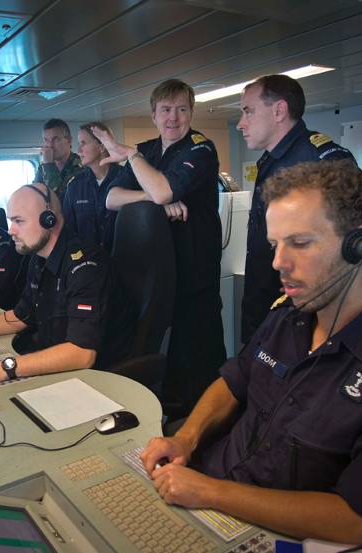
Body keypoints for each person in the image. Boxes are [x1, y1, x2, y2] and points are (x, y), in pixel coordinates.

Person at [140, 160, 362, 545]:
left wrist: (208, 492)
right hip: (203, 496)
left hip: (270, 534)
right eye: (276, 245)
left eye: (300, 243)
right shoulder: (287, 316)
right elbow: (233, 383)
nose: (278, 263)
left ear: (359, 244)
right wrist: (186, 439)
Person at [0, 183, 134, 390]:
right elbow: (20, 316)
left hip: (89, 379)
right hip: (52, 360)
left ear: (49, 220)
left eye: (18, 221)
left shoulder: (86, 267)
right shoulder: (38, 258)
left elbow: (82, 353)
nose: (11, 230)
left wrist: (5, 368)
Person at [96, 79, 225, 412]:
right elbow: (110, 198)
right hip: (158, 277)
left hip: (194, 279)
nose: (173, 118)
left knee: (198, 364)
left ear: (191, 113)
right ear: (153, 114)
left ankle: (206, 429)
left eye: (182, 109)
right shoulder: (149, 151)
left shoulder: (200, 148)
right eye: (166, 110)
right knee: (164, 363)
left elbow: (165, 191)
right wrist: (150, 198)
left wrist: (140, 170)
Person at [238, 74, 356, 345]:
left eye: (248, 112)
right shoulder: (271, 157)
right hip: (266, 297)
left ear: (279, 111)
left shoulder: (319, 159)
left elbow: (356, 228)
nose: (241, 124)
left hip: (300, 308)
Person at [61, 122, 121, 252]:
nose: (79, 151)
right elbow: (69, 231)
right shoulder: (75, 187)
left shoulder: (125, 178)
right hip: (90, 264)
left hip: (123, 260)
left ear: (101, 146)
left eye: (83, 143)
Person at [33, 118, 84, 200]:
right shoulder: (43, 168)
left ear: (69, 140)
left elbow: (60, 199)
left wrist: (49, 166)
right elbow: (35, 196)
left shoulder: (81, 166)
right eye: (46, 140)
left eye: (56, 139)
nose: (50, 145)